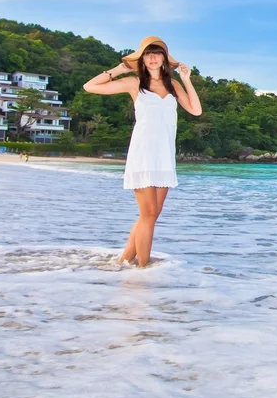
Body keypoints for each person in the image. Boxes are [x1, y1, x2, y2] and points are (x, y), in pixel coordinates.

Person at [83, 36, 202, 267]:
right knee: (148, 215)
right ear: (142, 59)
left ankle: (125, 260)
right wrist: (118, 69)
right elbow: (90, 86)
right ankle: (143, 269)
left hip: (165, 157)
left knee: (152, 215)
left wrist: (186, 80)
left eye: (158, 53)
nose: (154, 57)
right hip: (144, 154)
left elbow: (196, 110)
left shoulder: (173, 85)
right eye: (148, 53)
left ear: (164, 58)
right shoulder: (134, 83)